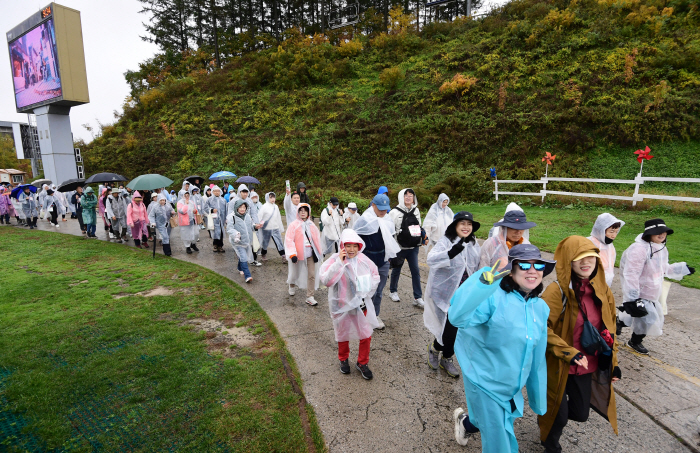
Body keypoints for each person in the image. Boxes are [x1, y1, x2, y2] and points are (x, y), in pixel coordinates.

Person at [450, 244, 554, 451]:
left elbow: (537, 356)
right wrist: (481, 284)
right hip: (484, 381)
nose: (532, 270)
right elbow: (457, 317)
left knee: (490, 421)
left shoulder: (541, 308)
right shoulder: (492, 298)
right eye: (524, 265)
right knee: (500, 442)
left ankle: (466, 422)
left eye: (538, 265)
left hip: (511, 386)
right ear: (511, 270)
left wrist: (537, 397)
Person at [539, 236, 621, 452]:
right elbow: (539, 327)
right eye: (578, 258)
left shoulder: (603, 292)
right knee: (558, 416)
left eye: (591, 257)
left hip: (586, 365)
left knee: (581, 413)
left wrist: (614, 362)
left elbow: (609, 331)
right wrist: (568, 352)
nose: (586, 263)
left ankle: (550, 414)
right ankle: (549, 442)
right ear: (568, 261)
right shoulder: (556, 292)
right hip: (558, 365)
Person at [618, 219, 694, 354]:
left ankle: (619, 321)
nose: (662, 235)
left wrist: (682, 269)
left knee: (637, 315)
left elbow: (664, 268)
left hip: (653, 290)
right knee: (647, 318)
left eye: (664, 232)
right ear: (649, 234)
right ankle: (635, 341)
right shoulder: (639, 249)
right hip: (639, 290)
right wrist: (631, 297)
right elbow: (631, 273)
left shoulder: (661, 248)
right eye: (657, 232)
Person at [425, 212, 481, 378]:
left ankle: (444, 354)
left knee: (455, 328)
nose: (466, 227)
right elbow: (431, 259)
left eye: (469, 224)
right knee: (449, 328)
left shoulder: (473, 243)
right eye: (462, 223)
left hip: (464, 294)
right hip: (445, 293)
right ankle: (440, 353)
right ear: (455, 226)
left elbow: (476, 265)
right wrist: (451, 252)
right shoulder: (445, 242)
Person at [320, 229, 381, 380]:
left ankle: (362, 362)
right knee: (342, 334)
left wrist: (366, 293)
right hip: (341, 304)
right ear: (342, 246)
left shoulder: (364, 260)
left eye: (355, 246)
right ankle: (343, 359)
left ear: (359, 246)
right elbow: (326, 281)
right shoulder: (335, 260)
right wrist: (339, 263)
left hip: (360, 304)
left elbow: (375, 276)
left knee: (366, 333)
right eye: (348, 246)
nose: (351, 249)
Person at [353, 194, 401, 330]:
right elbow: (354, 239)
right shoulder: (364, 220)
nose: (383, 211)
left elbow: (391, 239)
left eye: (385, 209)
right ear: (373, 205)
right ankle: (361, 315)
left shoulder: (388, 220)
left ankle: (375, 315)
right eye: (380, 208)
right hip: (366, 260)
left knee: (379, 291)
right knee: (364, 290)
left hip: (383, 260)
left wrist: (392, 256)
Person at [388, 188, 426, 307]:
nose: (409, 197)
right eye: (406, 195)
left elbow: (419, 226)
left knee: (415, 271)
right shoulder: (394, 212)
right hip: (399, 247)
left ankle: (417, 297)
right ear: (401, 197)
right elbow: (390, 230)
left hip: (413, 247)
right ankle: (393, 291)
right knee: (397, 269)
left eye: (411, 195)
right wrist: (391, 248)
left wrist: (423, 236)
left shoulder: (416, 210)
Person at [285, 203, 323, 306]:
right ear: (298, 212)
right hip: (297, 253)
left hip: (310, 253)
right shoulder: (293, 225)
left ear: (308, 212)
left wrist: (319, 252)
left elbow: (317, 240)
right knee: (294, 272)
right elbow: (289, 240)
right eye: (300, 210)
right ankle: (291, 285)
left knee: (311, 274)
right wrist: (292, 254)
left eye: (305, 210)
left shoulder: (312, 225)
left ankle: (310, 296)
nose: (303, 212)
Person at [479, 203, 536, 270]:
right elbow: (482, 269)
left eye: (521, 228)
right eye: (513, 228)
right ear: (504, 228)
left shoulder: (526, 245)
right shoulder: (491, 244)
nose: (518, 232)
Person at [587, 213, 624, 287]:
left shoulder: (609, 246)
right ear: (601, 230)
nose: (614, 235)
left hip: (605, 285)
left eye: (616, 232)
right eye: (611, 232)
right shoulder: (589, 244)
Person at [226, 199, 254, 283]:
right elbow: (229, 229)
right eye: (240, 207)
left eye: (244, 207)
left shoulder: (247, 216)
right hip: (237, 242)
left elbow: (250, 226)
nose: (242, 209)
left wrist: (256, 226)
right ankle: (248, 275)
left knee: (242, 256)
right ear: (236, 208)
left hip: (246, 241)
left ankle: (239, 267)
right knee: (244, 257)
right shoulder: (232, 217)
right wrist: (236, 234)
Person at [258, 192, 285, 260]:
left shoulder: (276, 207)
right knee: (265, 242)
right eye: (271, 197)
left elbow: (278, 217)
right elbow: (259, 216)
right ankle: (263, 254)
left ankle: (283, 256)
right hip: (267, 228)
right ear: (267, 198)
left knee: (279, 242)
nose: (273, 199)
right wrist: (259, 224)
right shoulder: (264, 206)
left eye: (274, 197)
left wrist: (280, 227)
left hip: (275, 227)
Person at [204, 185, 227, 253]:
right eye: (215, 191)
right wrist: (211, 210)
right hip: (214, 219)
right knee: (215, 232)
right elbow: (205, 208)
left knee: (221, 232)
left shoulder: (223, 200)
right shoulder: (209, 199)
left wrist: (225, 218)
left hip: (221, 219)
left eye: (218, 191)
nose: (217, 192)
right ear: (212, 192)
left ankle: (220, 246)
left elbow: (226, 209)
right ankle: (215, 245)